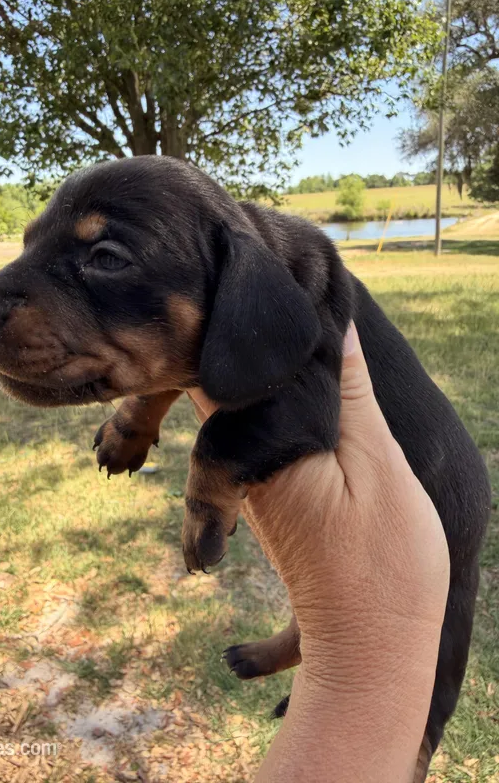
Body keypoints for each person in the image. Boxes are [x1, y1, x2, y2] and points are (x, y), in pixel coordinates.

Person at [188, 322, 449, 783]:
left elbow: (303, 407)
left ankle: (417, 752)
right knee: (324, 587)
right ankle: (299, 647)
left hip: (442, 501)